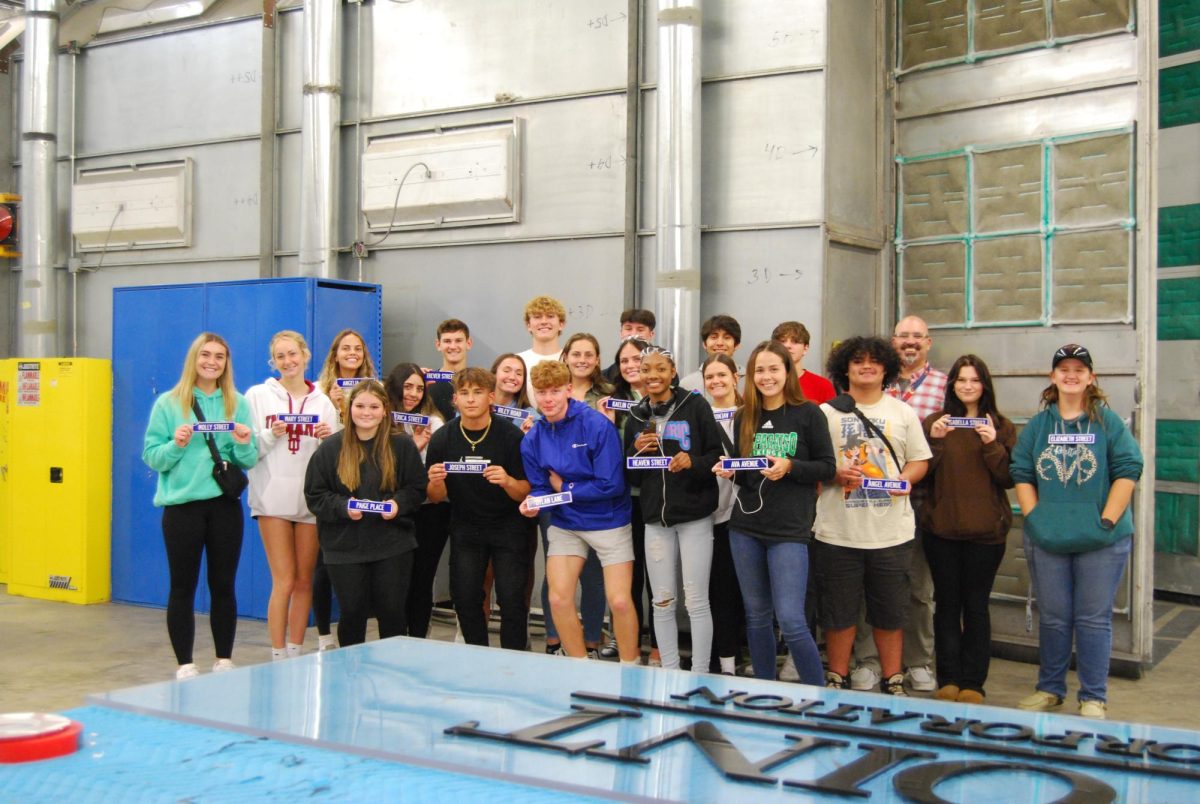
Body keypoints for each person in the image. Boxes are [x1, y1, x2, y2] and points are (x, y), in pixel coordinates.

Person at [1012, 344, 1143, 720]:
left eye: (1079, 369)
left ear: (1091, 377)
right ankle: (1050, 689)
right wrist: (1036, 517)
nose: (1071, 375)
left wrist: (1106, 519)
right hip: (1048, 537)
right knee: (1053, 617)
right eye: (1063, 369)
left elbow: (1130, 467)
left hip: (1103, 539)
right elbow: (1021, 469)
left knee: (1092, 618)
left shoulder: (1107, 422)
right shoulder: (1040, 425)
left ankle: (1093, 696)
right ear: (1053, 377)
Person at [814, 336, 931, 696]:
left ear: (886, 369)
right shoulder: (826, 413)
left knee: (890, 612)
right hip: (836, 532)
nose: (866, 366)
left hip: (891, 533)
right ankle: (837, 676)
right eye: (857, 361)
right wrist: (834, 475)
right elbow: (812, 466)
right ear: (844, 369)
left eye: (874, 361)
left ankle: (892, 679)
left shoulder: (902, 412)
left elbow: (920, 460)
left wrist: (904, 480)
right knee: (838, 613)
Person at [713, 341, 835, 684]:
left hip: (789, 531)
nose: (766, 377)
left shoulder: (810, 413)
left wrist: (790, 466)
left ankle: (820, 696)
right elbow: (748, 473)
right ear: (750, 376)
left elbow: (827, 468)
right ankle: (763, 691)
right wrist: (730, 469)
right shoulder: (744, 416)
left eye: (773, 369)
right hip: (745, 527)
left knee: (792, 620)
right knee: (755, 616)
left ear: (788, 372)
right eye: (759, 370)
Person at [142, 333, 257, 679]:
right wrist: (176, 445)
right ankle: (185, 664)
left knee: (224, 585)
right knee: (182, 586)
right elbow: (152, 457)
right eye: (205, 355)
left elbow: (246, 460)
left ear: (226, 363)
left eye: (219, 357)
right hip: (182, 509)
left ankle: (224, 659)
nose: (211, 362)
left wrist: (244, 442)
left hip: (224, 507)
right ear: (193, 358)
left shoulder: (237, 403)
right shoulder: (168, 403)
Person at [519, 360, 640, 663]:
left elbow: (610, 484)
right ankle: (579, 665)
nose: (547, 399)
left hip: (610, 520)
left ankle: (631, 666)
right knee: (559, 598)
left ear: (569, 391)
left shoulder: (597, 425)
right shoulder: (532, 438)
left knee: (620, 601)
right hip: (567, 523)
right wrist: (535, 503)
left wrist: (565, 489)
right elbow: (541, 487)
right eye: (541, 392)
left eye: (555, 391)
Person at [852, 316, 946, 693]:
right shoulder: (875, 382)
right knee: (866, 587)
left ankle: (919, 662)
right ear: (893, 342)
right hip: (867, 505)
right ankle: (868, 661)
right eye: (903, 336)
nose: (910, 343)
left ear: (929, 342)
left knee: (919, 589)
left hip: (925, 502)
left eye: (917, 337)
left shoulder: (944, 384)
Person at [920, 355, 1016, 704]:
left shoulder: (1001, 425)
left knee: (976, 606)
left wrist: (991, 444)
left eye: (974, 380)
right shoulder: (936, 422)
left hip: (986, 535)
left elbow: (1009, 478)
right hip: (941, 531)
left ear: (985, 385)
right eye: (961, 380)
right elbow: (921, 473)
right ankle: (948, 677)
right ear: (952, 385)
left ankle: (974, 682)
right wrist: (936, 441)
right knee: (945, 605)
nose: (968, 386)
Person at [303, 381, 427, 646]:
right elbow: (315, 495)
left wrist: (398, 504)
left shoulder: (402, 446)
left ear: (385, 410)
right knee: (352, 613)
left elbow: (417, 489)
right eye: (359, 406)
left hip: (393, 545)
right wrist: (343, 507)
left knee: (392, 613)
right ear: (349, 409)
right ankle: (350, 677)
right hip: (344, 547)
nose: (366, 412)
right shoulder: (330, 448)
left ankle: (392, 678)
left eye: (374, 406)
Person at [625, 346, 724, 671]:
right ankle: (669, 670)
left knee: (697, 600)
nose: (653, 375)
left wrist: (692, 462)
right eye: (646, 369)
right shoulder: (637, 416)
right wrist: (637, 451)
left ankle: (699, 672)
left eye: (660, 369)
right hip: (655, 520)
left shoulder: (695, 405)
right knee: (662, 601)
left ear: (672, 371)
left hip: (695, 517)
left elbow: (715, 456)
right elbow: (629, 472)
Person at [244, 331, 338, 661]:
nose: (288, 361)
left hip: (309, 500)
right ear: (273, 362)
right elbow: (246, 450)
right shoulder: (257, 396)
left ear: (306, 355)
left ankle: (297, 649)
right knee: (283, 579)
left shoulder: (323, 402)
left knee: (303, 579)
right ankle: (277, 652)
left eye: (293, 354)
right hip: (271, 498)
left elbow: (335, 458)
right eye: (280, 357)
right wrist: (270, 434)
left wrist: (329, 440)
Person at [426, 368, 532, 651]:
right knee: (465, 596)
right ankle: (477, 655)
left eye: (477, 392)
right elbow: (436, 497)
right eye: (464, 393)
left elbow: (525, 491)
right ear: (455, 400)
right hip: (465, 527)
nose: (471, 400)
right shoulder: (443, 439)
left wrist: (508, 481)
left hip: (508, 526)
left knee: (511, 598)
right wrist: (436, 482)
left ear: (491, 397)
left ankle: (514, 660)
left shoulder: (510, 437)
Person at [313, 329, 378, 650]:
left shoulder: (373, 389)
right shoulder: (319, 392)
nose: (351, 353)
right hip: (333, 481)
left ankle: (357, 629)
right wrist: (335, 407)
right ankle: (324, 633)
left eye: (357, 348)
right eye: (345, 348)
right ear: (334, 354)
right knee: (323, 564)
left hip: (367, 482)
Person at [384, 363, 449, 640]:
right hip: (395, 511)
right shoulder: (381, 419)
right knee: (396, 581)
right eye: (408, 386)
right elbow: (383, 473)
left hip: (430, 512)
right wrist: (415, 447)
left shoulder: (433, 422)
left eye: (419, 388)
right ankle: (395, 639)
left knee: (422, 581)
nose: (413, 394)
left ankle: (418, 638)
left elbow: (438, 473)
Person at [602, 335, 657, 662]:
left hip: (659, 497)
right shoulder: (612, 401)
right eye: (624, 361)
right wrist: (606, 424)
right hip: (624, 499)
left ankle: (660, 643)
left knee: (658, 577)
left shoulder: (668, 398)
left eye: (637, 359)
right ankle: (626, 641)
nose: (631, 366)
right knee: (627, 576)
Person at [703, 353, 746, 675]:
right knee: (719, 590)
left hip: (746, 513)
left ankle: (743, 655)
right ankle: (725, 660)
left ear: (736, 377)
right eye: (710, 377)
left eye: (722, 375)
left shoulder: (751, 415)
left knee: (744, 590)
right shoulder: (698, 415)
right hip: (711, 516)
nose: (716, 381)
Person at [771, 321, 835, 404]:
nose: (788, 346)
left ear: (805, 348)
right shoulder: (766, 383)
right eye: (782, 341)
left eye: (795, 341)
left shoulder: (823, 386)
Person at [518, 295, 568, 399]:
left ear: (561, 324)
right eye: (537, 317)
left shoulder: (571, 361)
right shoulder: (518, 362)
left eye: (550, 316)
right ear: (528, 325)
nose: (544, 321)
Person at [680, 314, 742, 392]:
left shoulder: (750, 379)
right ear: (704, 344)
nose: (720, 343)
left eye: (727, 338)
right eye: (714, 337)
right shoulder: (687, 384)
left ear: (737, 345)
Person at [427, 318, 473, 421]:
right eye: (447, 341)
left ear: (469, 343)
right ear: (438, 345)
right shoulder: (428, 383)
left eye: (458, 341)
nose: (453, 346)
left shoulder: (479, 383)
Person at [603, 308, 656, 384]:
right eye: (628, 329)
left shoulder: (665, 373)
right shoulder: (605, 377)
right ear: (621, 332)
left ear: (651, 335)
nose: (633, 334)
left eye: (640, 330)